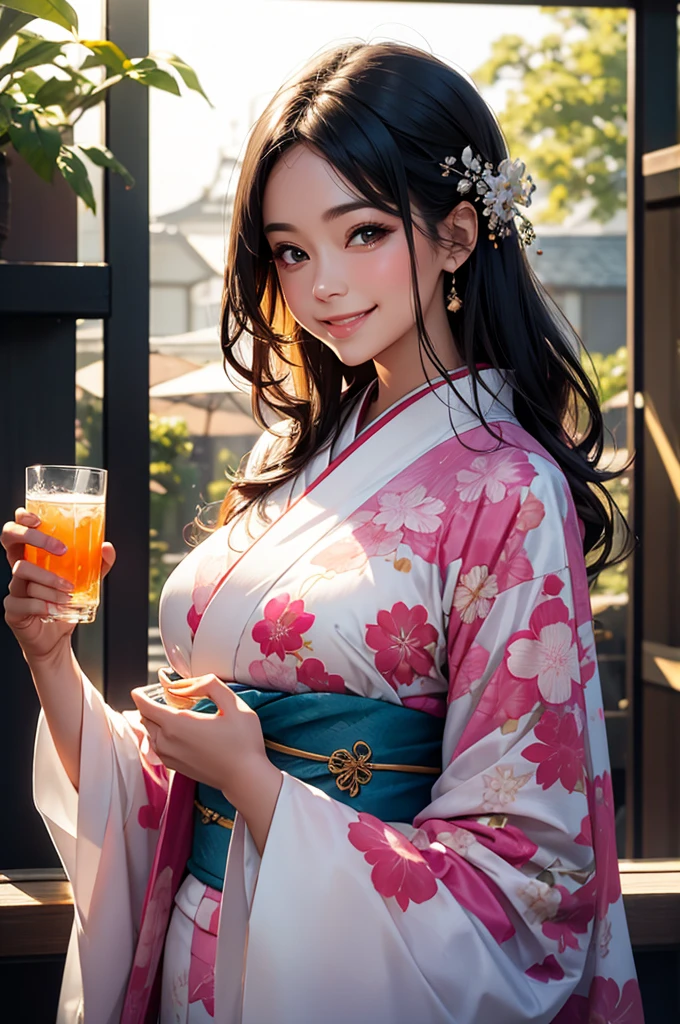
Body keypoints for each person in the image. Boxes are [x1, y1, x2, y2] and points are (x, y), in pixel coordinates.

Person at [2, 40, 643, 1024]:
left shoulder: (507, 487)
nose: (321, 284)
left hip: (333, 968)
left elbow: (521, 872)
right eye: (292, 249)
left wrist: (255, 782)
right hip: (198, 949)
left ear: (458, 235)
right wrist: (54, 660)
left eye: (363, 232)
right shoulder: (302, 454)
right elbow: (181, 777)